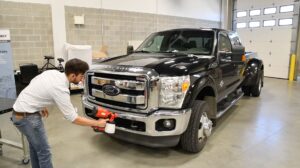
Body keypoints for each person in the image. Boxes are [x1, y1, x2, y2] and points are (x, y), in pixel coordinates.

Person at [11, 58, 107, 168]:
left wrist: (39, 105)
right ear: (72, 76)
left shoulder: (53, 73)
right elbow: (73, 118)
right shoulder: (61, 89)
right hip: (27, 118)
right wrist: (97, 123)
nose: (82, 80)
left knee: (35, 147)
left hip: (20, 111)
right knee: (44, 152)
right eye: (81, 76)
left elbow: (34, 83)